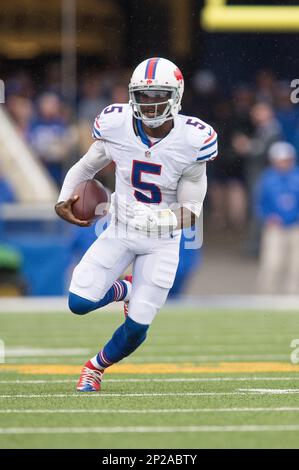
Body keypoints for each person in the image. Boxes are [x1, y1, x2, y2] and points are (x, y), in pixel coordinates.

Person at [55, 57, 218, 392]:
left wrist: (156, 218)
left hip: (163, 239)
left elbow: (191, 211)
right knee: (79, 302)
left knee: (138, 325)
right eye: (142, 95)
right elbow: (85, 167)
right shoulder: (116, 124)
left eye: (158, 94)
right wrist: (63, 198)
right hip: (121, 228)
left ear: (176, 95)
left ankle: (95, 368)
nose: (149, 102)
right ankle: (124, 289)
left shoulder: (193, 139)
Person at [256, 141, 299, 294]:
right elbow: (260, 203)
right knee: (272, 263)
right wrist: (268, 217)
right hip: (275, 226)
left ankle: (294, 298)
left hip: (296, 226)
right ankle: (266, 296)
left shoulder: (297, 176)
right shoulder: (267, 178)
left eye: (286, 159)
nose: (284, 163)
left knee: (296, 265)